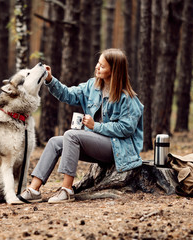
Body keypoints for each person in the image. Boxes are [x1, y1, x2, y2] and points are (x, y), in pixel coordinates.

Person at [19, 48, 144, 204]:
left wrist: (95, 126)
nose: (97, 67)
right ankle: (33, 190)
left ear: (114, 71)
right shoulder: (92, 86)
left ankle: (67, 190)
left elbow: (126, 129)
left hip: (117, 148)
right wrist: (50, 79)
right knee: (55, 142)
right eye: (98, 64)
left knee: (71, 135)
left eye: (103, 66)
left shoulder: (127, 98)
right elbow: (68, 95)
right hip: (96, 144)